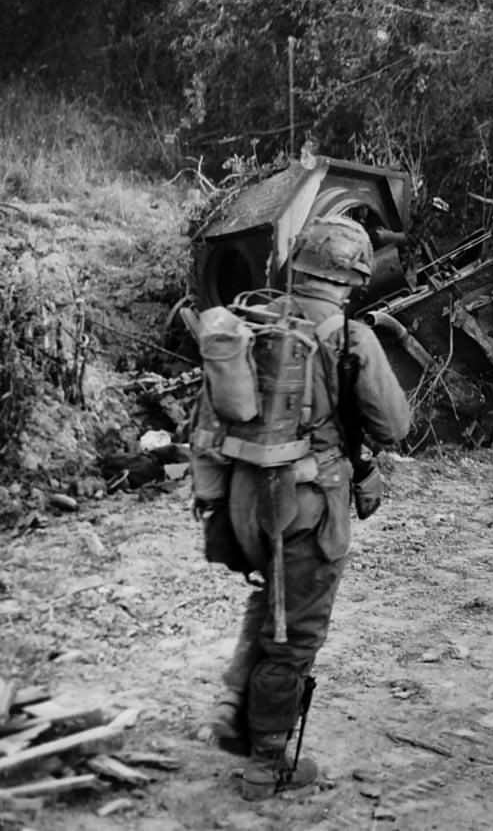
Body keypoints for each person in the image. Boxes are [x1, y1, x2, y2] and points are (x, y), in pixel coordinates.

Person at [196, 216, 411, 799]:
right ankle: (266, 765)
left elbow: (208, 424)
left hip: (242, 501)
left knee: (271, 600)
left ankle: (231, 703)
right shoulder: (349, 335)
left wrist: (214, 505)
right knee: (296, 637)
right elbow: (394, 426)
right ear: (352, 275)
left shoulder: (251, 321)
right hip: (306, 507)